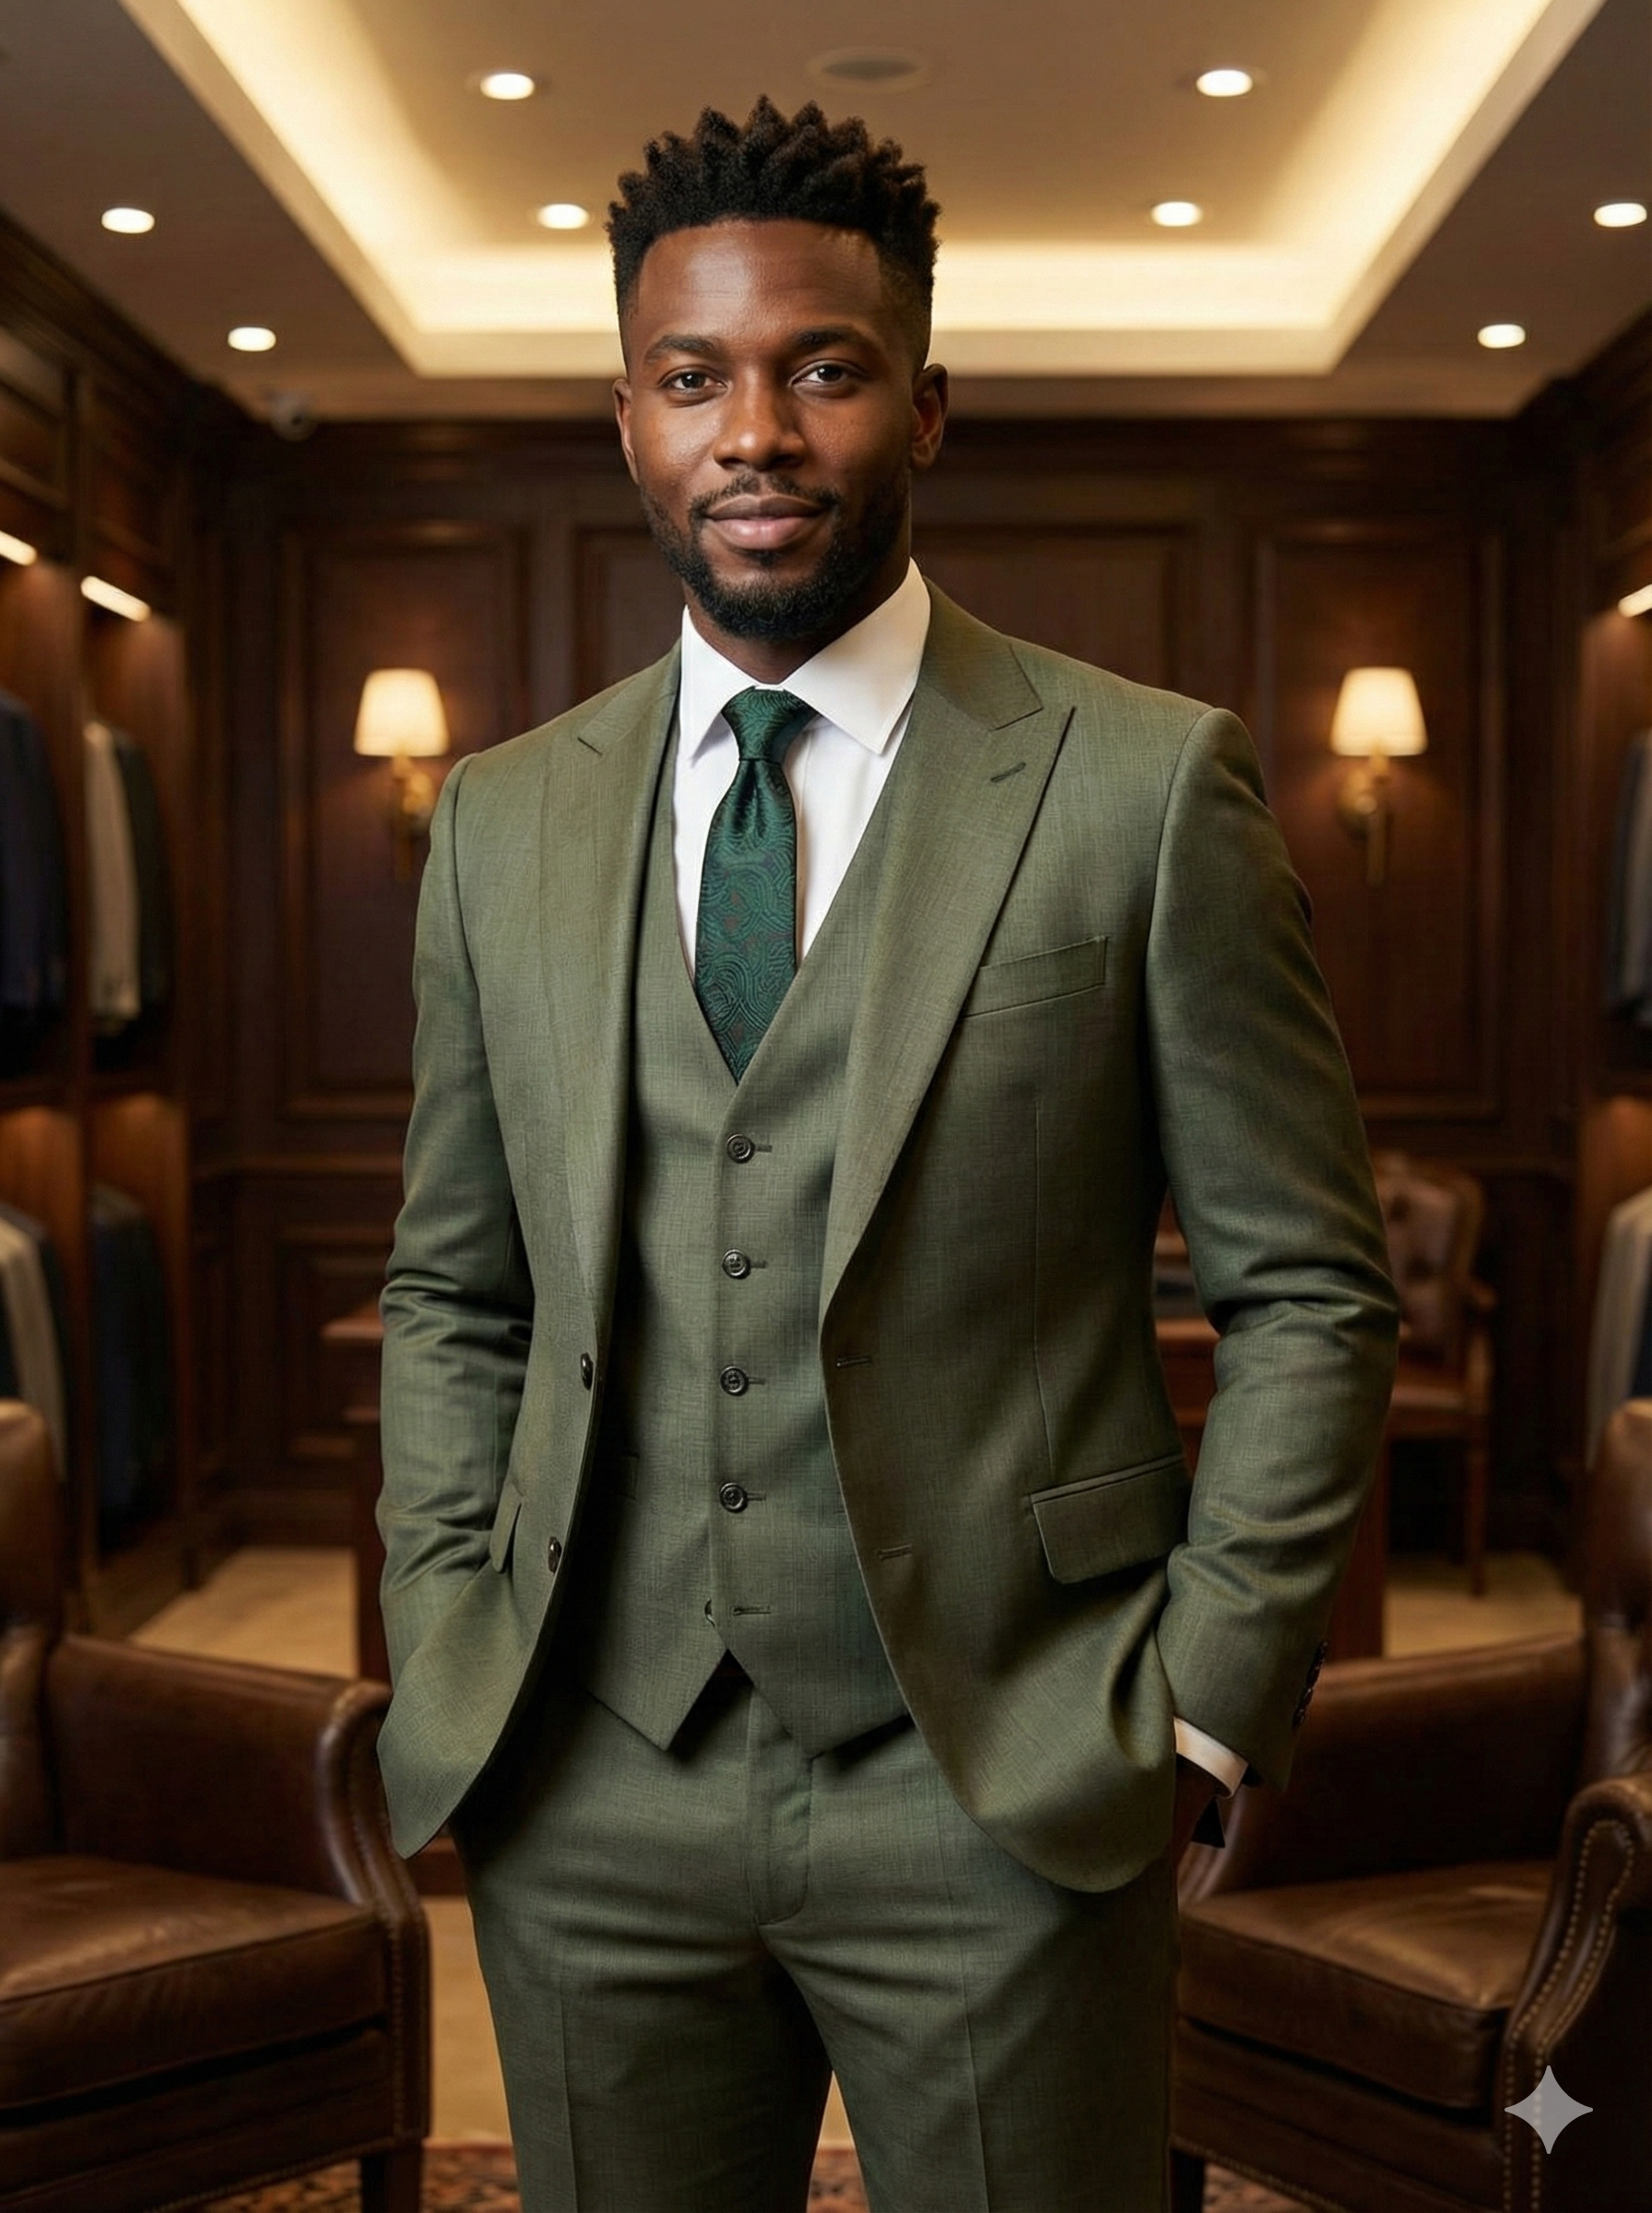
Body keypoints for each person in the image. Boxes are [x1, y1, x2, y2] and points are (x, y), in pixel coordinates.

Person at [375, 97, 1399, 2213]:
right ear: (629, 422)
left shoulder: (1137, 790)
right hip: (592, 1778)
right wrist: (448, 1611)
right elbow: (454, 1290)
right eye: (692, 379)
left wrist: (1201, 1702)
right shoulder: (502, 823)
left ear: (923, 405)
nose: (753, 428)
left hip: (1011, 1774)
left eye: (819, 369)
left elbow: (1305, 1285)